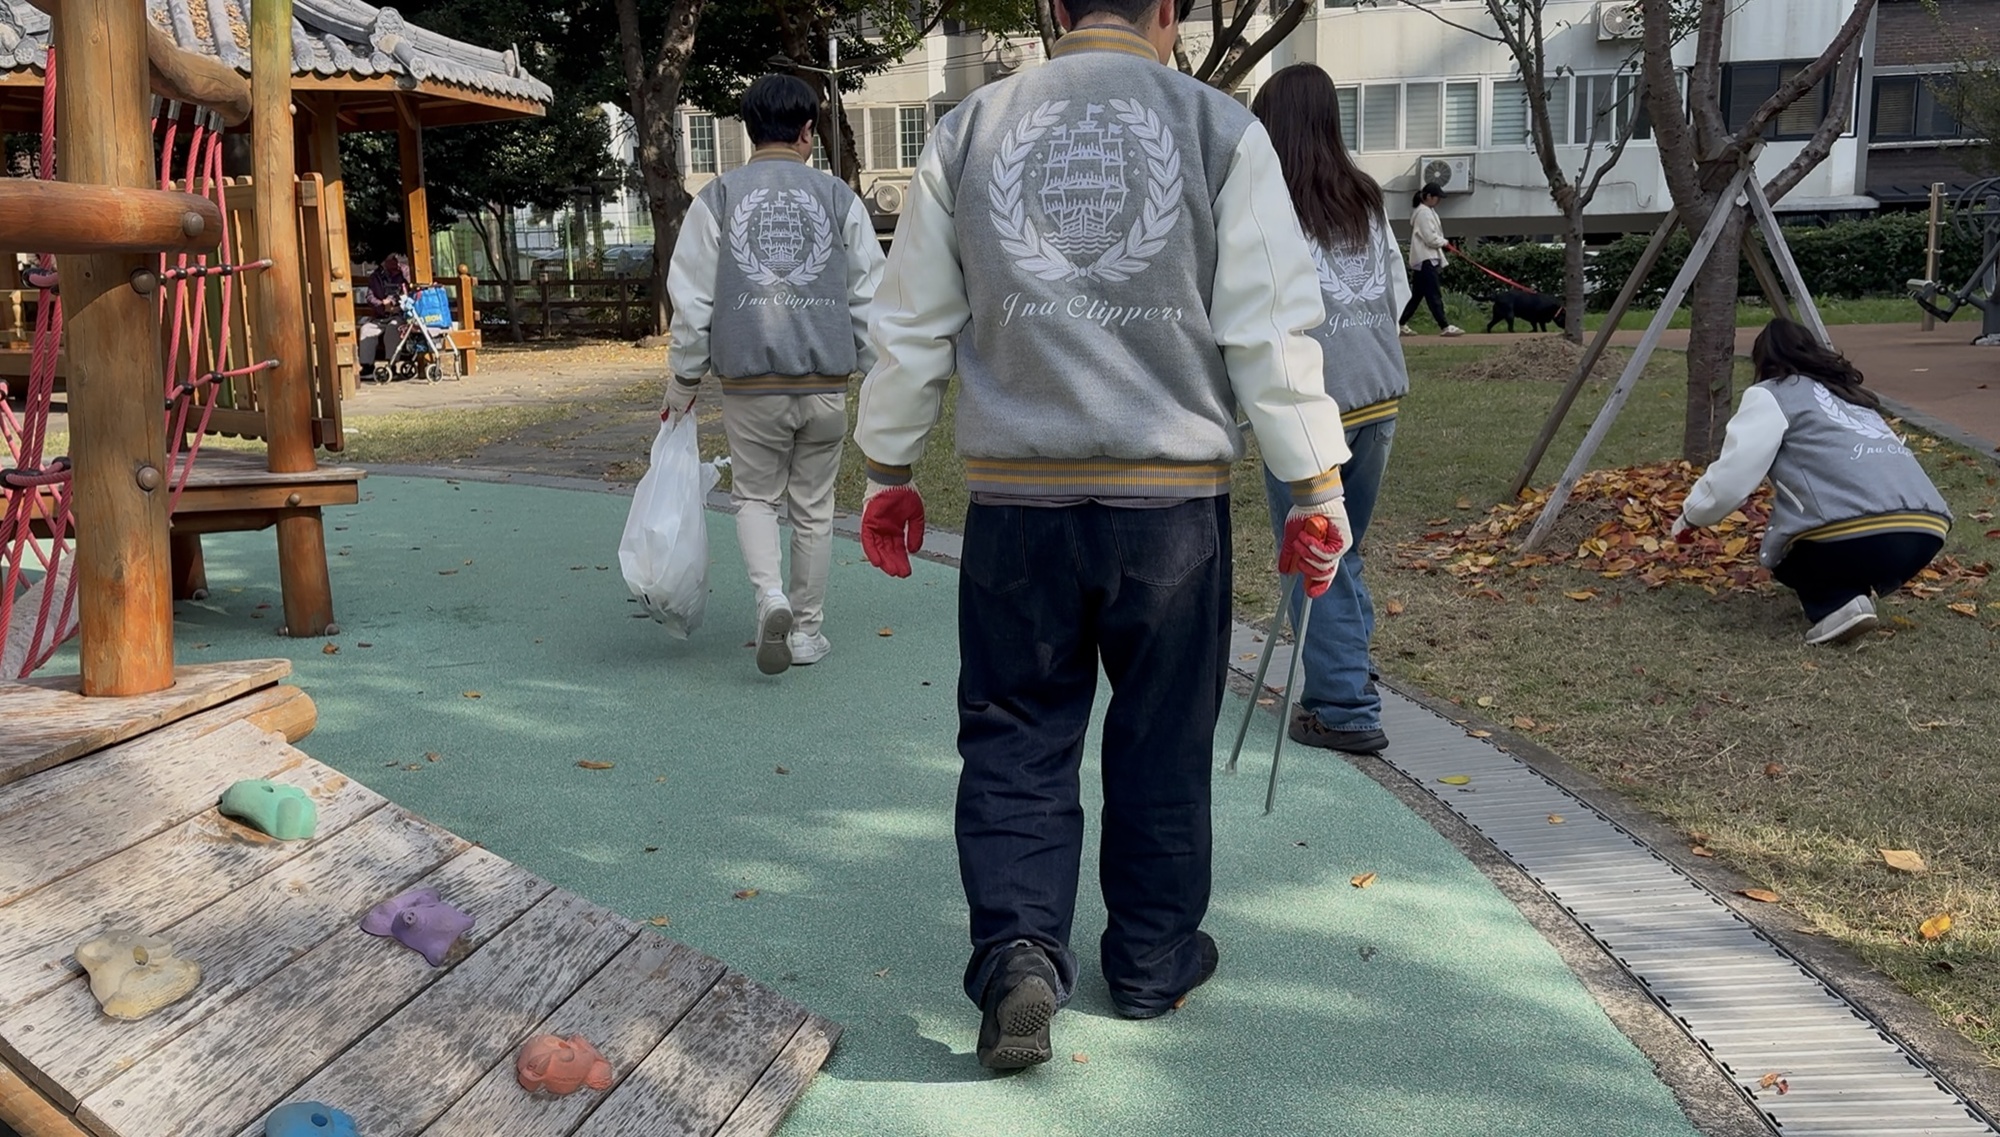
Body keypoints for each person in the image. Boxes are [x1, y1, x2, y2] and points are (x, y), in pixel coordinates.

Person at [852, 0, 1354, 1070]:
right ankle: (1151, 959)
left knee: (1014, 734)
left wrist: (888, 467)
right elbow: (1268, 327)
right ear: (1167, 12)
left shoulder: (968, 128)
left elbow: (908, 324)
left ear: (1049, 9)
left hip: (1013, 508)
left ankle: (1017, 955)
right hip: (1168, 508)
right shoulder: (1221, 129)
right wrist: (1313, 483)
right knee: (1161, 737)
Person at [665, 73, 885, 675]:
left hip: (750, 387)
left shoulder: (718, 197)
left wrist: (683, 383)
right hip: (824, 387)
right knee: (814, 509)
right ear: (809, 131)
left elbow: (692, 304)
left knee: (755, 498)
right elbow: (870, 295)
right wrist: (875, 373)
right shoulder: (840, 197)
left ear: (748, 129)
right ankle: (807, 633)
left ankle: (770, 597)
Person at [1252, 63, 1411, 756]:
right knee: (1343, 548)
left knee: (1317, 556)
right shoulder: (1366, 199)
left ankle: (1345, 705)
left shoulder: (1267, 208)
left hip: (1308, 407)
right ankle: (1349, 672)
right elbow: (1397, 292)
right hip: (1379, 395)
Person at [1673, 319, 1952, 645]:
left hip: (1860, 533)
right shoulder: (1855, 397)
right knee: (1843, 538)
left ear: (1763, 361)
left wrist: (1691, 514)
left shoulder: (1773, 394)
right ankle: (1854, 591)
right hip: (1927, 532)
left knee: (1785, 553)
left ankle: (1836, 606)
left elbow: (1733, 479)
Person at [1398, 184, 1462, 337]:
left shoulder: (1427, 212)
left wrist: (1443, 243)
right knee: (1433, 294)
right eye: (1436, 197)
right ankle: (1444, 325)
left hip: (1426, 258)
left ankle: (1399, 323)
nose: (1438, 200)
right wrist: (1445, 243)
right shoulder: (1423, 213)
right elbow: (1430, 238)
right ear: (1428, 197)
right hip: (1426, 258)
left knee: (1416, 296)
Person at [357, 254, 413, 380]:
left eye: (396, 259)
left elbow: (410, 292)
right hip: (381, 314)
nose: (395, 262)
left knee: (392, 328)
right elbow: (369, 297)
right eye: (391, 259)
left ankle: (391, 364)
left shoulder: (405, 272)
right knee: (366, 329)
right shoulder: (375, 276)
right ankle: (367, 366)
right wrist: (381, 303)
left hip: (400, 314)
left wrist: (394, 301)